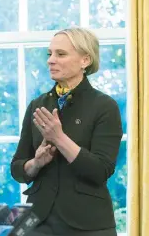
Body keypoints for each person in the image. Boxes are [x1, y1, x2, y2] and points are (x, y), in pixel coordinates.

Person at [11, 27, 123, 236]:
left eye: (60, 54)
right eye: (49, 54)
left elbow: (100, 170)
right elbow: (17, 169)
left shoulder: (104, 106)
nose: (50, 60)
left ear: (85, 60)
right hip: (38, 222)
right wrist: (36, 163)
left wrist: (59, 138)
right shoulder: (38, 104)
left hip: (88, 224)